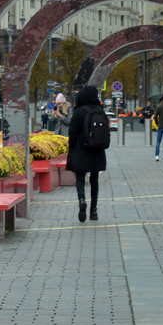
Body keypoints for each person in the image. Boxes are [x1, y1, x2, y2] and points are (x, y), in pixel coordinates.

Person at [66, 85, 108, 223]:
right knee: (94, 180)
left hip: (81, 149)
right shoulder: (100, 111)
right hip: (97, 150)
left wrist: (71, 148)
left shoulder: (79, 112)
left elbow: (72, 132)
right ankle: (94, 211)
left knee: (80, 178)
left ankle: (82, 199)